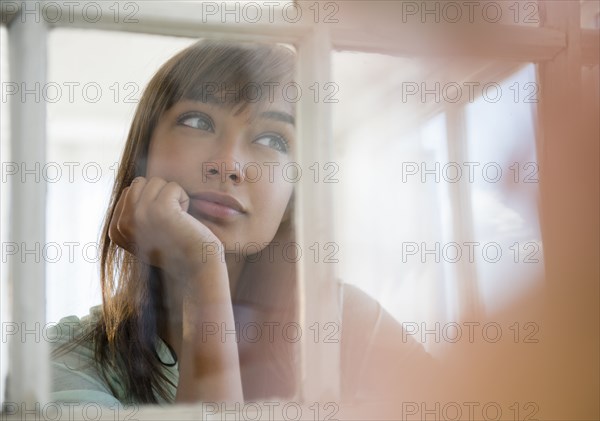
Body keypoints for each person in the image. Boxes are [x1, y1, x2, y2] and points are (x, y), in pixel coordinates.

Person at [49, 40, 436, 408]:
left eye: (273, 139)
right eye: (198, 121)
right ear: (143, 156)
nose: (229, 164)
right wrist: (203, 273)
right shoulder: (68, 361)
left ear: (292, 196)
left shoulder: (349, 324)